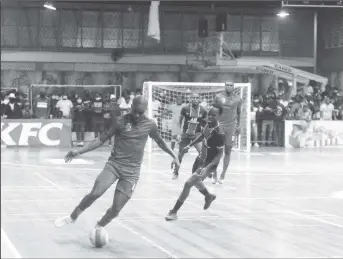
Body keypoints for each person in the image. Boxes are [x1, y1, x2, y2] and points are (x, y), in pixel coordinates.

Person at [54, 96, 180, 230]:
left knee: (116, 208)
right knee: (95, 193)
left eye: (141, 113)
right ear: (131, 107)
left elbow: (160, 142)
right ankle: (72, 217)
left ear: (146, 110)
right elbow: (100, 140)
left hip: (132, 172)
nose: (137, 115)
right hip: (114, 165)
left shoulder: (150, 125)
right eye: (135, 111)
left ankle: (99, 226)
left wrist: (175, 156)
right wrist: (79, 152)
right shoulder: (120, 121)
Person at [165, 106, 224, 221]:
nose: (210, 117)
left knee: (188, 183)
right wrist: (189, 145)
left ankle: (174, 211)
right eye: (209, 115)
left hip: (208, 163)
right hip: (200, 158)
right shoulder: (208, 125)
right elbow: (202, 136)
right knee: (196, 182)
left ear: (219, 116)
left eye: (213, 115)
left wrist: (207, 168)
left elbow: (219, 155)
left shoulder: (219, 133)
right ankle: (208, 196)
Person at [172, 93, 207, 180]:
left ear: (199, 99)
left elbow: (205, 123)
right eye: (193, 98)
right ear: (190, 99)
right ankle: (176, 172)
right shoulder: (185, 108)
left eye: (196, 98)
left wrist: (204, 134)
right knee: (180, 154)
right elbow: (180, 120)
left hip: (197, 135)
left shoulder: (203, 110)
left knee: (202, 154)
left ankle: (199, 172)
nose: (195, 99)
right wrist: (180, 133)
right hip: (186, 134)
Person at [212, 82, 241, 184]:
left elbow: (239, 113)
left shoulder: (238, 99)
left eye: (231, 85)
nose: (229, 87)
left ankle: (223, 174)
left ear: (233, 87)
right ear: (224, 86)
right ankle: (214, 173)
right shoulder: (218, 97)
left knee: (227, 151)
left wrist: (239, 125)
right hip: (219, 125)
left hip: (231, 127)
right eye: (227, 85)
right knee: (216, 151)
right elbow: (213, 111)